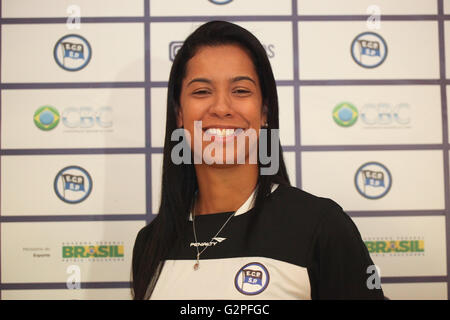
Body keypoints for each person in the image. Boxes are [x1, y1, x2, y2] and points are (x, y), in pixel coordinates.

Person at [132, 20, 384, 300]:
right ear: (179, 114)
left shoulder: (320, 227)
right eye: (202, 91)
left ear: (265, 111)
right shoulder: (150, 243)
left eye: (240, 90)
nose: (222, 108)